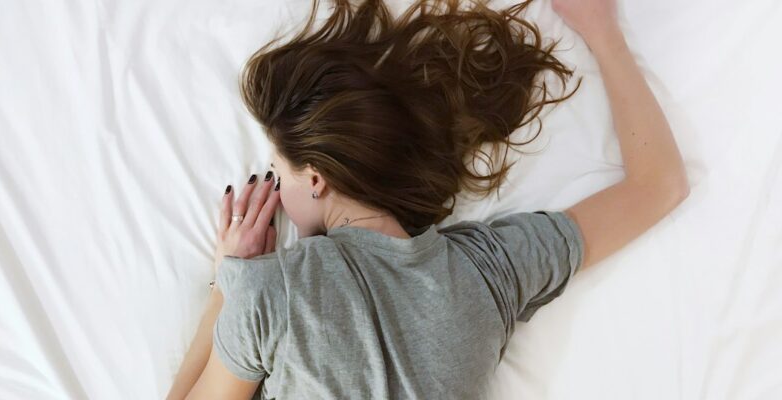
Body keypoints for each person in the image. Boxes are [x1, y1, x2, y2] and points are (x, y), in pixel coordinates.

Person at [168, 0, 689, 398]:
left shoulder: (268, 293)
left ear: (318, 179)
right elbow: (659, 185)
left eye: (281, 175)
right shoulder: (491, 271)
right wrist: (602, 32)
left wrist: (227, 282)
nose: (277, 193)